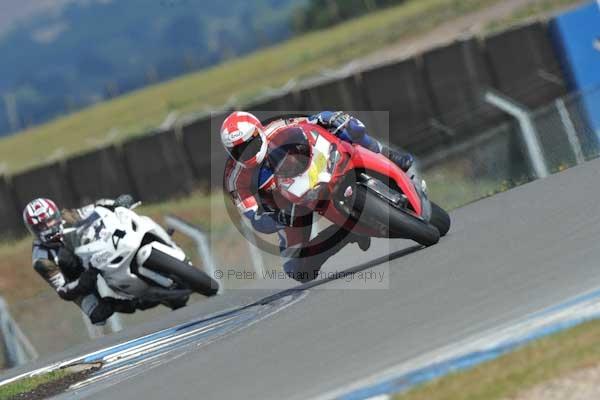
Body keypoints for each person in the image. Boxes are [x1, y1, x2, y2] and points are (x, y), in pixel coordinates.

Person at [221, 111, 414, 282]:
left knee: (347, 131)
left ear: (259, 131)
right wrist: (277, 219)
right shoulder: (236, 181)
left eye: (250, 144)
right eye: (238, 151)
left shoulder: (279, 127)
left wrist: (332, 118)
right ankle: (346, 234)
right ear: (229, 151)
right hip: (288, 207)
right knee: (297, 270)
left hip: (312, 170)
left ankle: (389, 155)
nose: (247, 152)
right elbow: (255, 218)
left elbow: (315, 121)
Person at [23, 195, 137, 325]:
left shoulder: (67, 216)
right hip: (77, 278)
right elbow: (63, 290)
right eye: (42, 226)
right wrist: (87, 278)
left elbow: (97, 206)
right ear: (33, 230)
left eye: (50, 221)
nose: (49, 227)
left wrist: (116, 203)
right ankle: (129, 304)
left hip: (95, 253)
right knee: (98, 315)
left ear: (56, 215)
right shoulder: (41, 260)